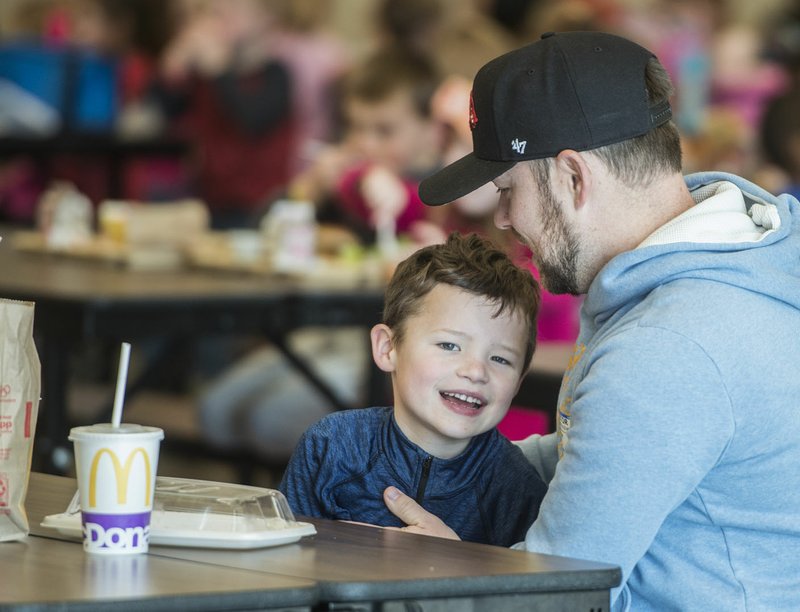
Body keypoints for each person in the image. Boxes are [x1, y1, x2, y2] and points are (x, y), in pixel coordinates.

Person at [379, 31, 800, 610]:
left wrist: (443, 574)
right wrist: (430, 465)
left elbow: (555, 596)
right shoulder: (723, 264)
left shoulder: (667, 346)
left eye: (508, 189)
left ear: (573, 178)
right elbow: (607, 457)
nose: (502, 218)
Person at [279, 232, 548, 547]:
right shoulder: (330, 447)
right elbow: (285, 561)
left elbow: (529, 590)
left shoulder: (515, 487)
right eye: (450, 345)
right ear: (388, 348)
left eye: (501, 359)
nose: (476, 371)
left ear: (519, 379)